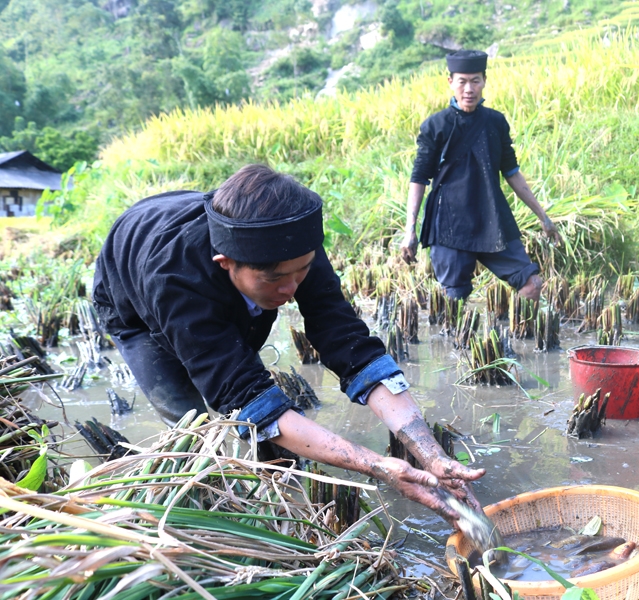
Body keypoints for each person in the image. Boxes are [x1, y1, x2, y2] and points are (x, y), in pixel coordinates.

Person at [92, 164, 483, 521]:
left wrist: (430, 453)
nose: (291, 287)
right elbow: (245, 397)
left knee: (247, 365)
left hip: (217, 259)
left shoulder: (290, 244)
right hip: (133, 300)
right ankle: (206, 504)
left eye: (302, 271)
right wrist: (375, 465)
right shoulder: (174, 283)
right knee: (187, 414)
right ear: (225, 261)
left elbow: (346, 341)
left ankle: (280, 463)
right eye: (276, 279)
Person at [399, 49, 563, 302]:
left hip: (492, 217)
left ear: (484, 81)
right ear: (450, 82)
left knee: (531, 285)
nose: (469, 88)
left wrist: (543, 217)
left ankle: (510, 339)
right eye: (462, 81)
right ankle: (462, 340)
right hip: (449, 225)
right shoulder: (436, 125)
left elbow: (511, 172)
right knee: (454, 299)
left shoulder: (495, 122)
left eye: (475, 80)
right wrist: (410, 230)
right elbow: (419, 178)